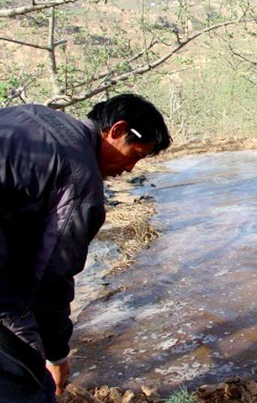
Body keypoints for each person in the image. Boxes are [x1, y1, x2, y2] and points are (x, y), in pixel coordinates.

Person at [0, 94, 171, 402]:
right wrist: (56, 354)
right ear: (116, 130)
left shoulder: (31, 115)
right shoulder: (80, 178)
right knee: (29, 387)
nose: (131, 168)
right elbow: (52, 277)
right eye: (135, 154)